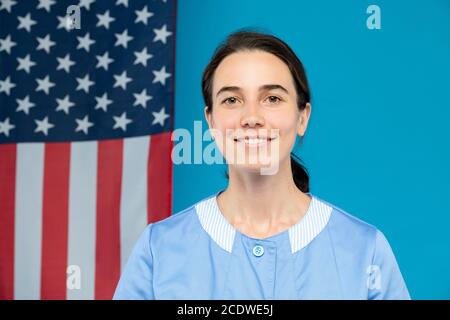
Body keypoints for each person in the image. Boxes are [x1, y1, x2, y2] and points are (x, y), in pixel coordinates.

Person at [113, 30, 410, 299]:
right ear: (211, 120)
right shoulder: (159, 249)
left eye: (272, 98)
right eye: (231, 100)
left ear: (302, 117)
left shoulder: (364, 250)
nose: (251, 117)